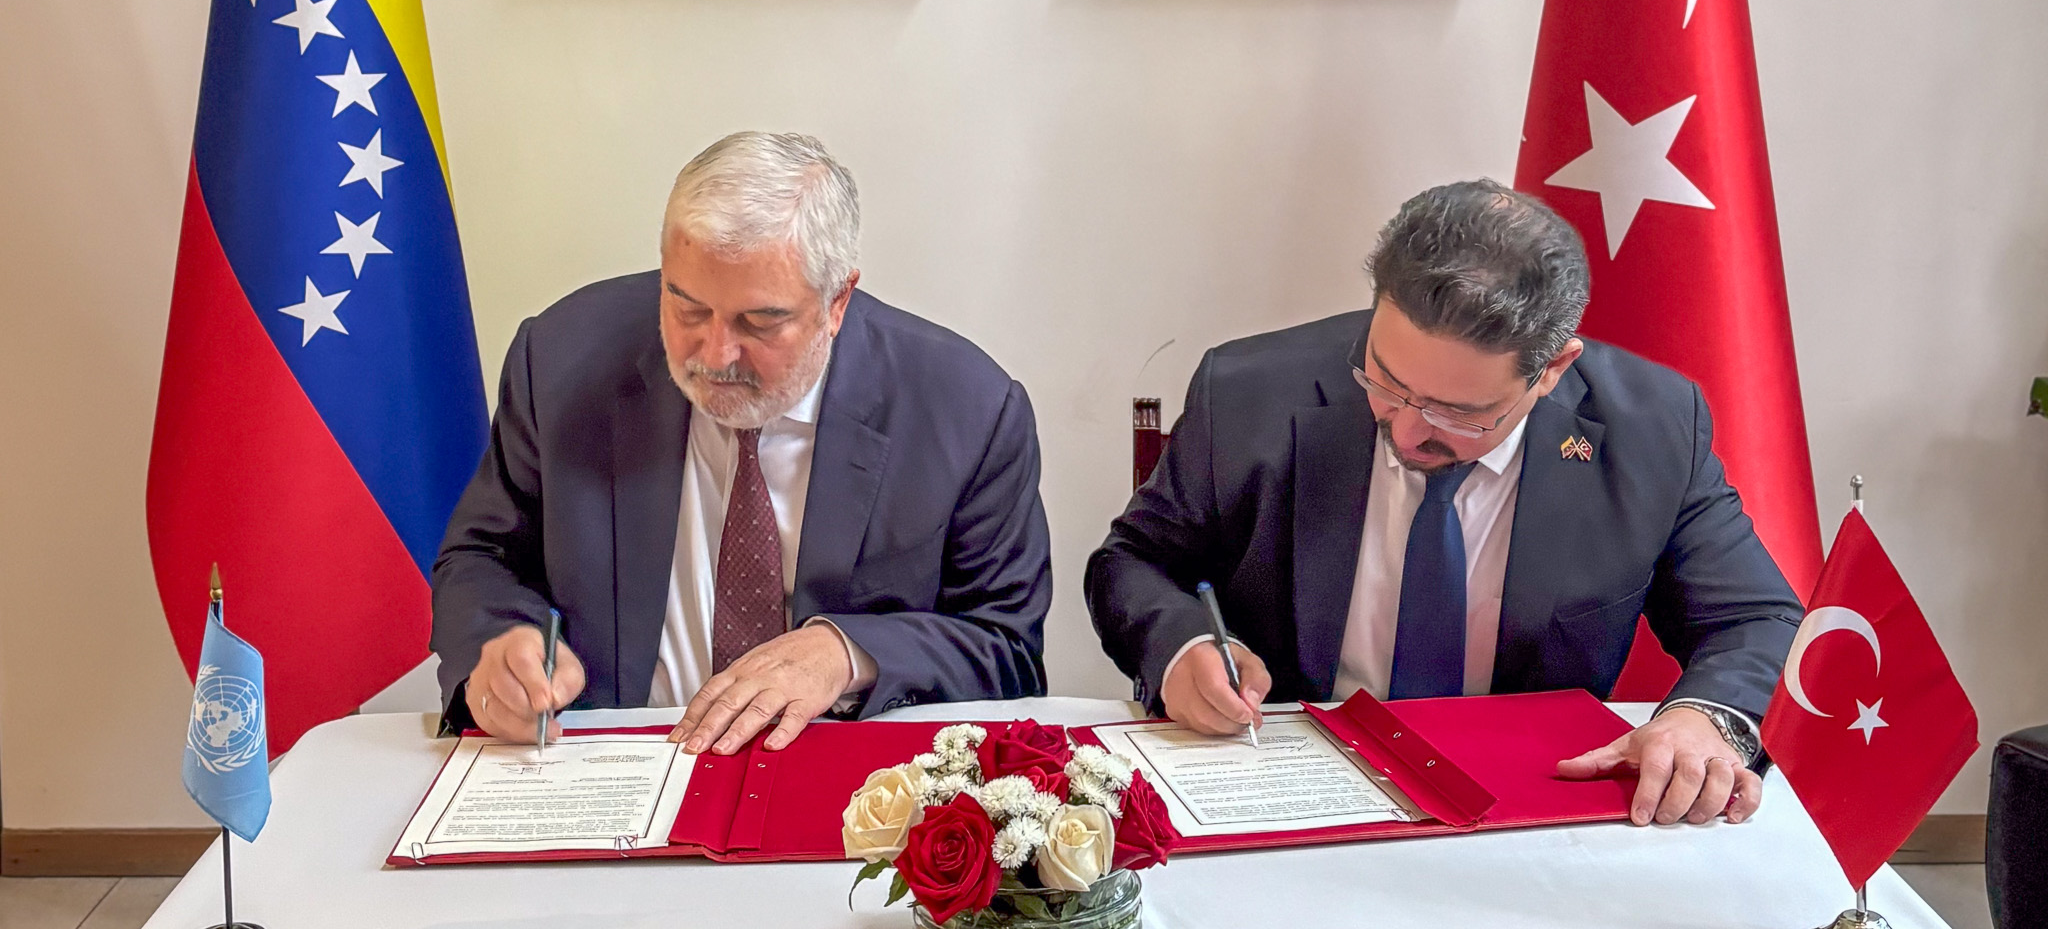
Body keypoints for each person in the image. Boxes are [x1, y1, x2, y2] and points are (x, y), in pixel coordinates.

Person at [1086, 180, 1805, 828]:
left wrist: (1702, 720)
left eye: (1458, 413)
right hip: (1287, 779)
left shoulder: (1650, 427)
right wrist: (1180, 649)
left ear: (1551, 370)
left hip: (1525, 801)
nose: (1404, 429)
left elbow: (1753, 617)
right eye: (1387, 381)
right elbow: (1134, 562)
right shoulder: (1250, 392)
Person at [432, 132, 1052, 757]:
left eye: (759, 322)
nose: (716, 355)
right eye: (688, 308)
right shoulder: (561, 358)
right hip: (610, 764)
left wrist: (846, 654)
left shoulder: (965, 408)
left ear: (838, 301)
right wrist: (502, 644)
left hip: (844, 775)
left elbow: (1006, 648)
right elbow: (482, 558)